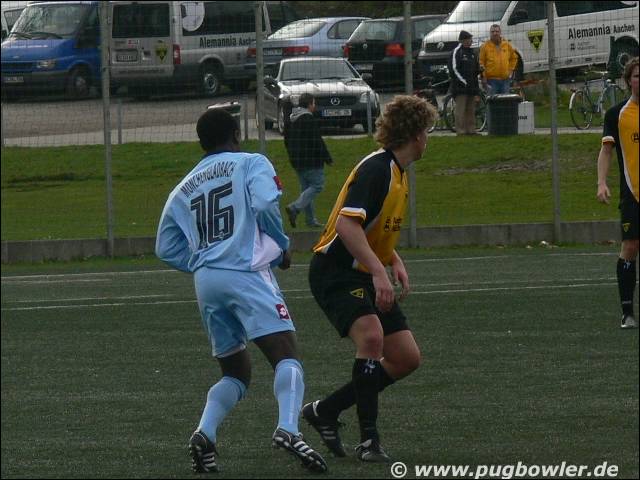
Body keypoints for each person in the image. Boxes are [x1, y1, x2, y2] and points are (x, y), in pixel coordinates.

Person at [155, 107, 328, 473]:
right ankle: (289, 428)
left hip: (206, 281)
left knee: (236, 371)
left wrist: (202, 262)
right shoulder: (251, 162)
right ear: (236, 134)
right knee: (286, 353)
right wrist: (281, 245)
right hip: (245, 272)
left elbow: (165, 247)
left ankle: (205, 433)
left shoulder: (184, 186)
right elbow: (264, 203)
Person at [303, 95, 437, 462]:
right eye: (427, 131)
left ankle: (325, 411)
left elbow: (373, 227)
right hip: (335, 271)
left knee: (405, 358)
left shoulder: (398, 172)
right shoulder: (377, 169)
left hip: (361, 270)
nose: (428, 138)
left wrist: (393, 259)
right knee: (372, 338)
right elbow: (347, 226)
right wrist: (379, 271)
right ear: (416, 135)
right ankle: (369, 442)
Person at [596, 57, 639, 329]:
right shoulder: (617, 114)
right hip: (632, 193)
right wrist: (601, 182)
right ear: (628, 81)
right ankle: (627, 312)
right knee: (631, 246)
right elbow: (606, 151)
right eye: (636, 76)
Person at [284, 93, 333, 229]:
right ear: (310, 104)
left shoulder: (292, 119)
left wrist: (291, 155)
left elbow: (286, 140)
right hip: (311, 159)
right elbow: (316, 141)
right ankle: (294, 207)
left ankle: (310, 220)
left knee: (306, 189)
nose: (314, 106)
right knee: (317, 185)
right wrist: (327, 158)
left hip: (296, 160)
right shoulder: (308, 119)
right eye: (314, 103)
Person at [448, 30, 481, 136]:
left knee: (471, 109)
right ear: (463, 40)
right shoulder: (457, 52)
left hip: (471, 87)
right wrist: (463, 82)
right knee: (460, 109)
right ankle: (461, 131)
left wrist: (476, 86)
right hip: (460, 87)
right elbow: (454, 69)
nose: (471, 41)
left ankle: (471, 130)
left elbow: (475, 70)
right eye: (469, 39)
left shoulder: (472, 53)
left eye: (471, 39)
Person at [479, 24, 519, 94]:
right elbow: (481, 63)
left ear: (500, 32)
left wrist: (510, 70)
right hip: (491, 81)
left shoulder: (507, 44)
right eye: (492, 32)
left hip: (505, 80)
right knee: (493, 100)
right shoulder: (484, 46)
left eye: (497, 31)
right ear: (490, 33)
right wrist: (483, 77)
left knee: (505, 100)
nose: (495, 33)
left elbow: (514, 58)